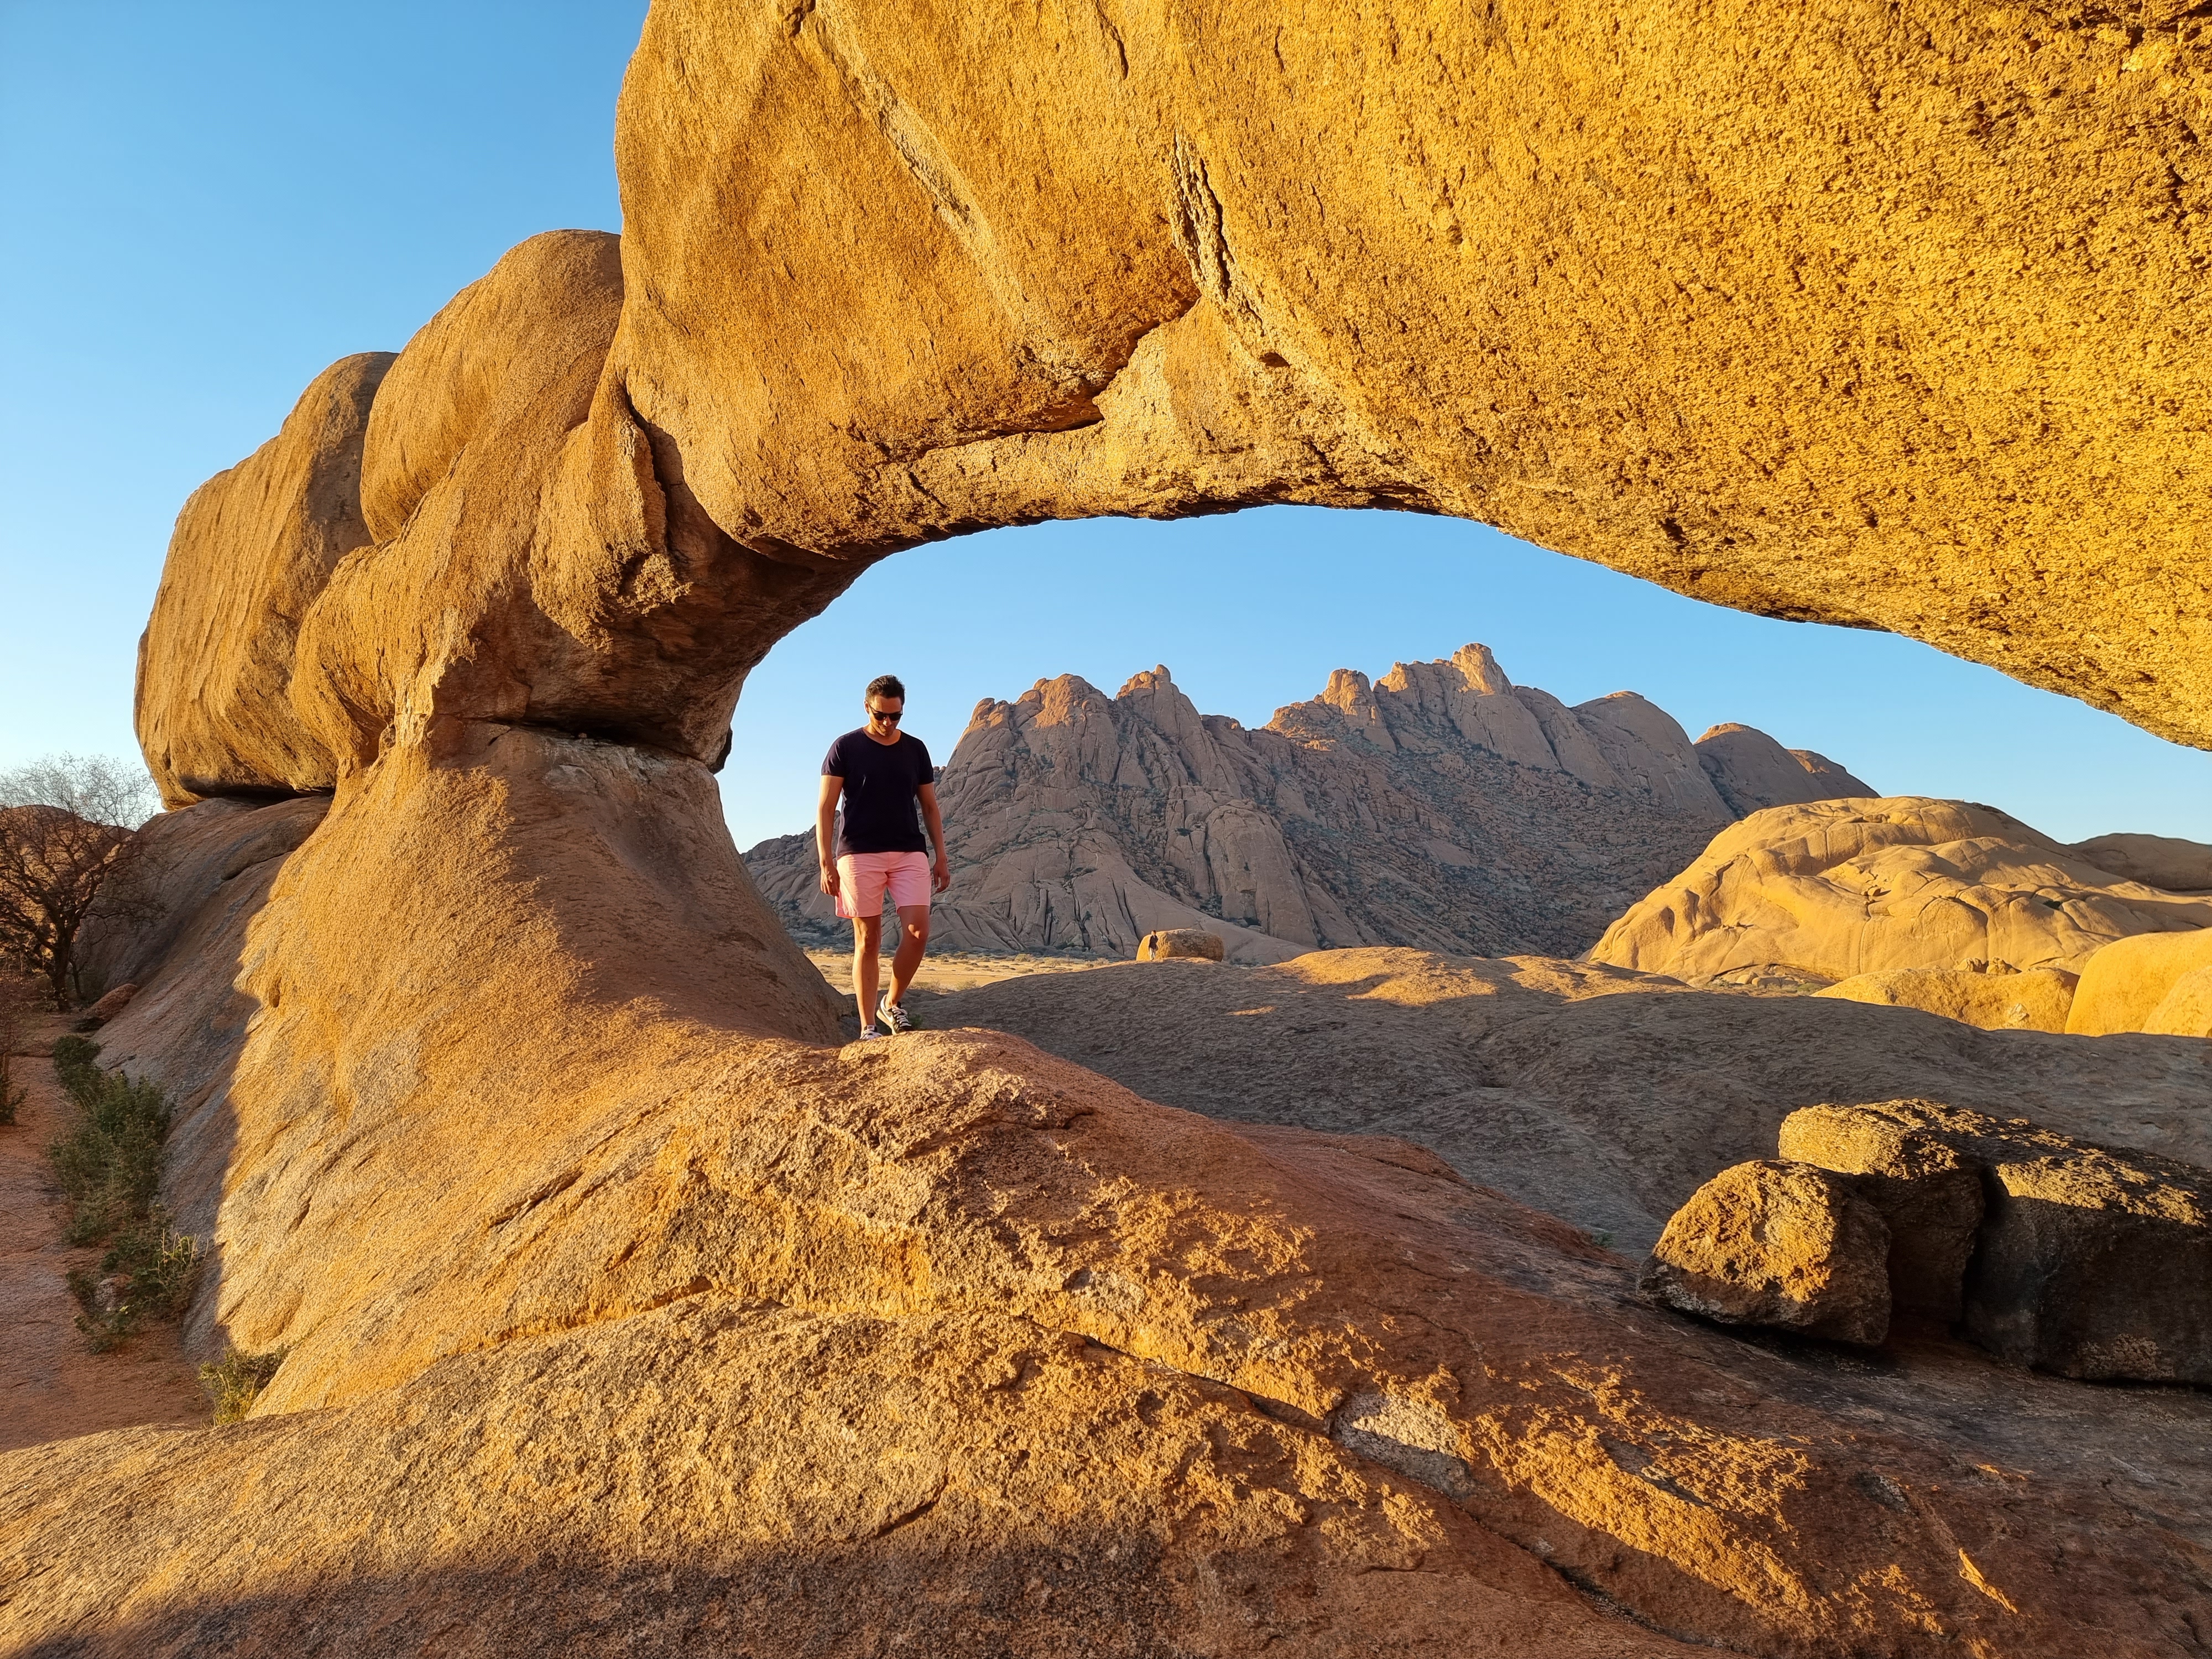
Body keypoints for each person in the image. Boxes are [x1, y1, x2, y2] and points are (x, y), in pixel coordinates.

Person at [817, 674, 951, 1040]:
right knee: (869, 940)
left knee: (918, 931)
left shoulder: (916, 750)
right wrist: (826, 862)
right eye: (881, 715)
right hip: (859, 853)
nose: (888, 723)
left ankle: (891, 1003)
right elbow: (826, 808)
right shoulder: (845, 747)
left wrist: (941, 856)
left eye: (896, 716)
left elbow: (930, 807)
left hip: (909, 849)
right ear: (867, 707)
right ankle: (868, 1028)